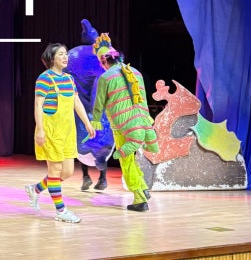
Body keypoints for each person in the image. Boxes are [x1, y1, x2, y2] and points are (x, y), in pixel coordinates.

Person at [24, 42, 96, 224]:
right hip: (51, 130)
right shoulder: (44, 78)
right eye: (61, 54)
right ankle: (61, 211)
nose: (65, 57)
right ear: (52, 58)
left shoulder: (69, 79)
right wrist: (40, 129)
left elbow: (76, 102)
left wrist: (87, 123)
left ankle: (36, 189)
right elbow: (38, 105)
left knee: (68, 172)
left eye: (66, 54)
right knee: (55, 171)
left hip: (68, 131)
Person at [91, 33, 159, 212]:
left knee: (126, 160)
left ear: (104, 61)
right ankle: (142, 187)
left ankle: (139, 197)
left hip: (122, 125)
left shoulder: (106, 77)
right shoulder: (136, 72)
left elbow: (99, 103)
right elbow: (143, 99)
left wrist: (96, 120)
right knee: (131, 158)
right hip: (140, 122)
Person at [66, 19, 114, 191]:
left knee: (82, 137)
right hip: (98, 107)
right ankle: (102, 178)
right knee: (101, 140)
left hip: (79, 104)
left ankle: (86, 176)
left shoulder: (73, 54)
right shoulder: (101, 56)